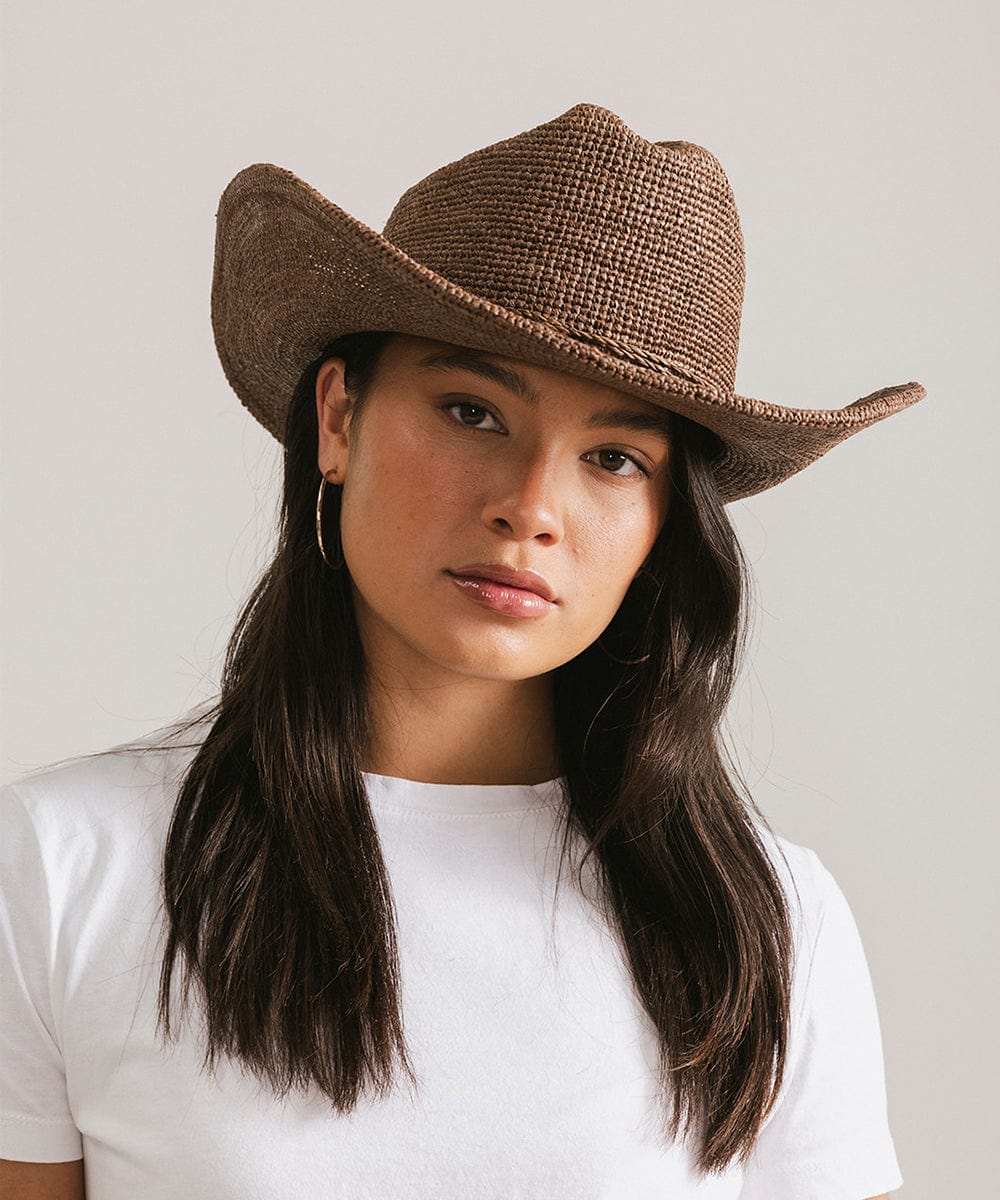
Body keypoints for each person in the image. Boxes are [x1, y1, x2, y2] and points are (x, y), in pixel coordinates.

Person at [0, 103, 923, 1199]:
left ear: (665, 521)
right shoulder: (64, 865)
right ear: (338, 419)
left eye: (615, 459)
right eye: (471, 411)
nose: (531, 507)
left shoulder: (768, 920)